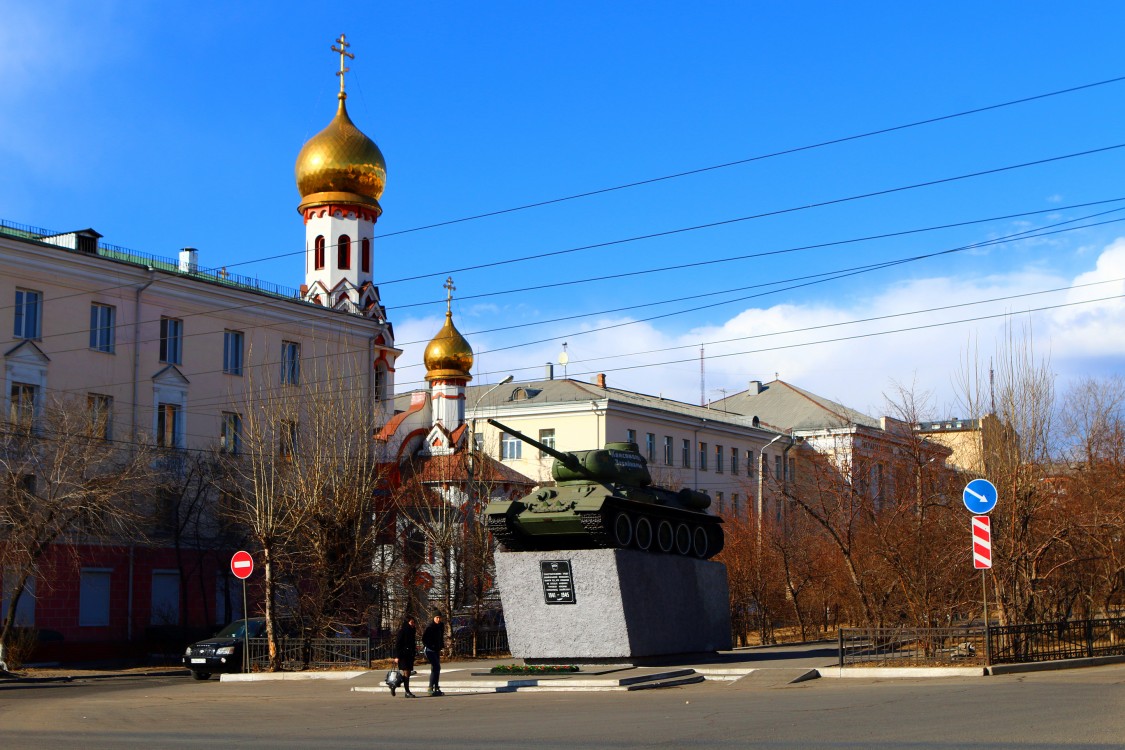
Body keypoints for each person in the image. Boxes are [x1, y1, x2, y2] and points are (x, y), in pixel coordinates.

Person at [392, 615, 417, 698]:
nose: (413, 624)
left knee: (408, 674)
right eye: (411, 622)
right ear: (407, 622)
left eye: (413, 622)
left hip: (410, 655)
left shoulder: (412, 631)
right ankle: (407, 692)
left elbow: (412, 644)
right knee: (406, 673)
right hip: (403, 655)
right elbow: (398, 644)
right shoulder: (402, 631)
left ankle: (394, 685)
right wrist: (397, 656)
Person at [422, 614, 445, 696]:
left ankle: (436, 687)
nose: (438, 619)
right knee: (436, 667)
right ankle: (430, 688)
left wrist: (441, 646)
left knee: (436, 669)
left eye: (439, 617)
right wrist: (430, 645)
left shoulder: (441, 626)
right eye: (437, 617)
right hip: (430, 650)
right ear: (433, 618)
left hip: (437, 649)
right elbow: (424, 638)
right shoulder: (430, 626)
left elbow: (440, 637)